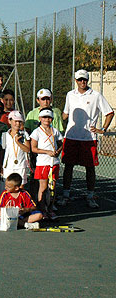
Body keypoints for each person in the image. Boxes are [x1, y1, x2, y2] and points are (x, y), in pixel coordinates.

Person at [59, 69, 114, 209]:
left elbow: (109, 113)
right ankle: (65, 195)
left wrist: (103, 129)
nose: (82, 82)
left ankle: (90, 196)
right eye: (79, 79)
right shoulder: (70, 95)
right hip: (70, 137)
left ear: (87, 80)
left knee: (90, 168)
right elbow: (65, 114)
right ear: (76, 81)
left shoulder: (96, 95)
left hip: (89, 138)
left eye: (84, 79)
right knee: (68, 167)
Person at [31, 108, 63, 217]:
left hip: (54, 163)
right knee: (43, 187)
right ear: (40, 118)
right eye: (44, 117)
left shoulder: (55, 131)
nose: (47, 119)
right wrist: (47, 152)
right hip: (42, 163)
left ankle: (50, 208)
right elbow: (33, 148)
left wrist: (58, 151)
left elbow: (61, 144)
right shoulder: (36, 132)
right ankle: (42, 209)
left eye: (49, 117)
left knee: (52, 187)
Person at [1, 111, 31, 187]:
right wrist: (1, 166)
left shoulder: (25, 134)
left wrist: (18, 142)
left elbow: (27, 149)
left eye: (20, 121)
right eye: (15, 121)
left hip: (21, 166)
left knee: (20, 187)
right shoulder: (4, 135)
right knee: (8, 187)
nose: (18, 124)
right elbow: (2, 152)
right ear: (9, 121)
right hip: (8, 166)